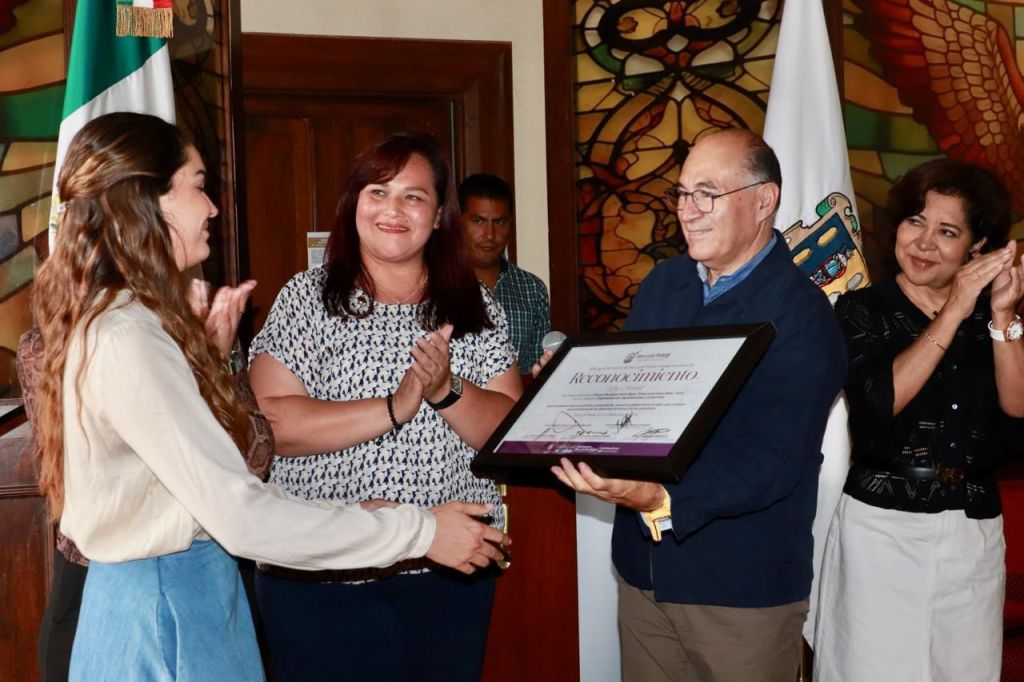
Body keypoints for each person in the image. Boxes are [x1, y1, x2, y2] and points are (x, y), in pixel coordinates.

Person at [31, 112, 507, 680]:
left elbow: (196, 484)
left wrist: (356, 513)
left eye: (414, 197)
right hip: (166, 602)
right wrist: (418, 528)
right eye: (199, 187)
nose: (212, 208)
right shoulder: (127, 332)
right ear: (148, 202)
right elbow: (240, 510)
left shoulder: (130, 322)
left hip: (185, 587)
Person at [549, 128, 847, 682]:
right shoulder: (664, 285)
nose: (687, 211)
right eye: (682, 194)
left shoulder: (804, 315)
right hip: (644, 574)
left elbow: (774, 457)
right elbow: (635, 403)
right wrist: (568, 394)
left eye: (706, 194)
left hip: (739, 588)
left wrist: (662, 498)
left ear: (764, 201)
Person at [248, 133, 522, 681]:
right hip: (325, 576)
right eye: (378, 191)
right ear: (354, 204)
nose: (394, 210)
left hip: (448, 572)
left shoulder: (471, 299)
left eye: (414, 197)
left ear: (439, 214)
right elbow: (272, 425)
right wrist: (394, 406)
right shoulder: (308, 296)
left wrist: (446, 390)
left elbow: (510, 434)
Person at [813, 159, 1024, 681]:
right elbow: (879, 404)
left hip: (972, 531)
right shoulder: (862, 310)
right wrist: (953, 311)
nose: (924, 243)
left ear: (978, 247)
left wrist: (1001, 318)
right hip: (881, 532)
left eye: (947, 231)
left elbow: (1018, 413)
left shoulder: (997, 314)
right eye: (915, 222)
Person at [458, 173, 550, 370]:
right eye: (478, 221)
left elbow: (535, 374)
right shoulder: (433, 284)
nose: (490, 235)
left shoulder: (531, 289)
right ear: (458, 223)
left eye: (499, 222)